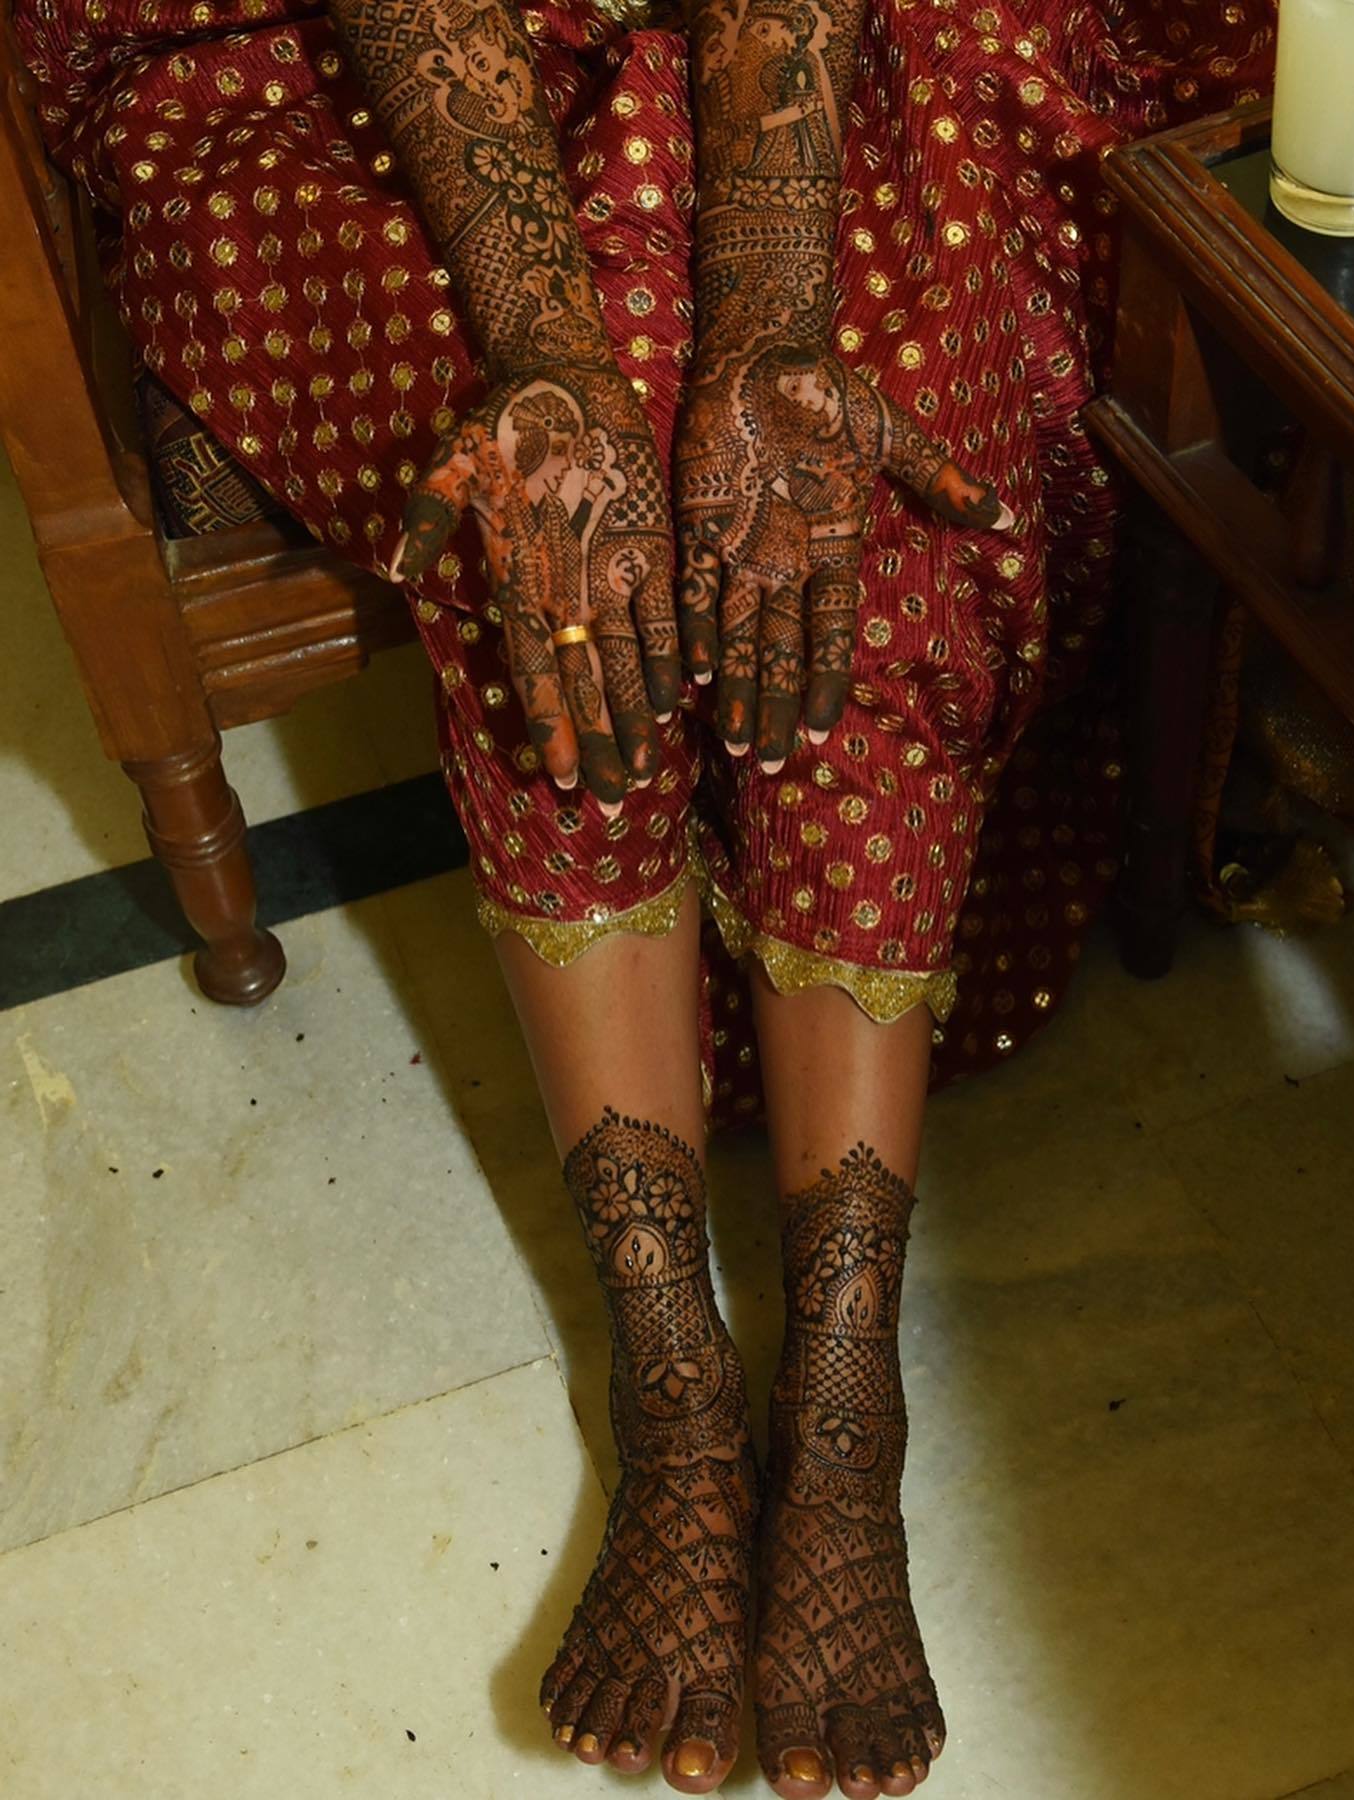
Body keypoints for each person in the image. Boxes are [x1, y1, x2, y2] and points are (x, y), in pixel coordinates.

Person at [14, 1, 1278, 1793]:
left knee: (838, 462)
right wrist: (549, 353)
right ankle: (670, 1378)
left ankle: (843, 1403)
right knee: (535, 510)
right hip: (328, 56)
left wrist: (771, 330)